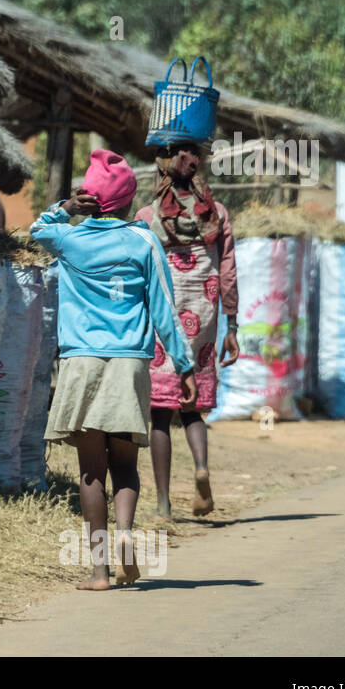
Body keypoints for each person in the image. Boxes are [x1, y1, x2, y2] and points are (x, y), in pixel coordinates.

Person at [31, 149, 196, 590]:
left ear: (90, 199)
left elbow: (36, 230)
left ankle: (100, 571)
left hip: (80, 362)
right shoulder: (144, 241)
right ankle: (126, 531)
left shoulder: (70, 239)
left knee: (90, 471)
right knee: (124, 464)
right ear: (127, 201)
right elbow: (164, 306)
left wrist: (64, 208)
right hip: (129, 364)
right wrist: (185, 365)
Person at [134, 142, 239, 519]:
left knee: (160, 412)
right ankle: (201, 467)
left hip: (164, 320)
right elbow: (227, 272)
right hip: (205, 316)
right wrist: (232, 324)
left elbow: (137, 273)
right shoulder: (217, 214)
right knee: (192, 408)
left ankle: (163, 505)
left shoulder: (148, 216)